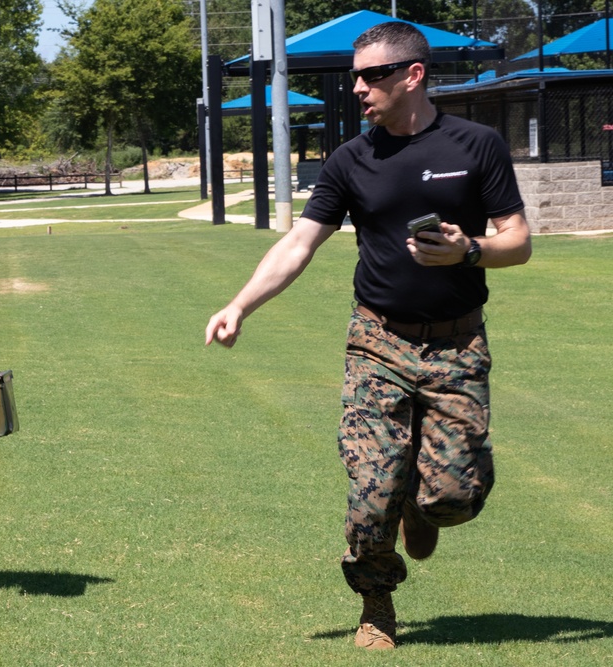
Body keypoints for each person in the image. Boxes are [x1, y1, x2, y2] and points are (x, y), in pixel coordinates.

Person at [205, 22, 531, 650]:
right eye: (355, 76)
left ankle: (424, 502)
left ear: (413, 75)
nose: (358, 87)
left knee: (455, 499)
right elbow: (300, 243)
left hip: (458, 348)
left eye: (371, 75)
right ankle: (377, 603)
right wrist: (240, 304)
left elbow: (517, 242)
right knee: (371, 492)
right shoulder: (351, 160)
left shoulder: (476, 144)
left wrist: (469, 253)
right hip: (376, 342)